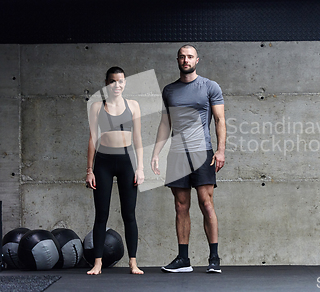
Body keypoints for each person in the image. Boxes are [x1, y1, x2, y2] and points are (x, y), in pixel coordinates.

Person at [151, 44, 226, 274]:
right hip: (177, 154)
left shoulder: (209, 86)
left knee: (206, 204)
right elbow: (165, 124)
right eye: (182, 57)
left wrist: (221, 150)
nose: (186, 60)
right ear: (177, 60)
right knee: (180, 206)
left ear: (197, 60)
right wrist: (156, 153)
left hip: (201, 152)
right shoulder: (169, 90)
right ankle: (183, 259)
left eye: (190, 57)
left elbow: (219, 120)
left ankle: (214, 258)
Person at [86, 66, 144, 275]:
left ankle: (133, 262)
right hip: (103, 162)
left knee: (129, 214)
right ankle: (98, 262)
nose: (116, 85)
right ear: (106, 83)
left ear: (125, 82)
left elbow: (138, 138)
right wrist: (89, 170)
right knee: (101, 214)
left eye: (120, 81)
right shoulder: (96, 106)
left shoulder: (134, 105)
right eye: (112, 81)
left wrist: (140, 168)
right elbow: (93, 138)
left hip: (127, 162)